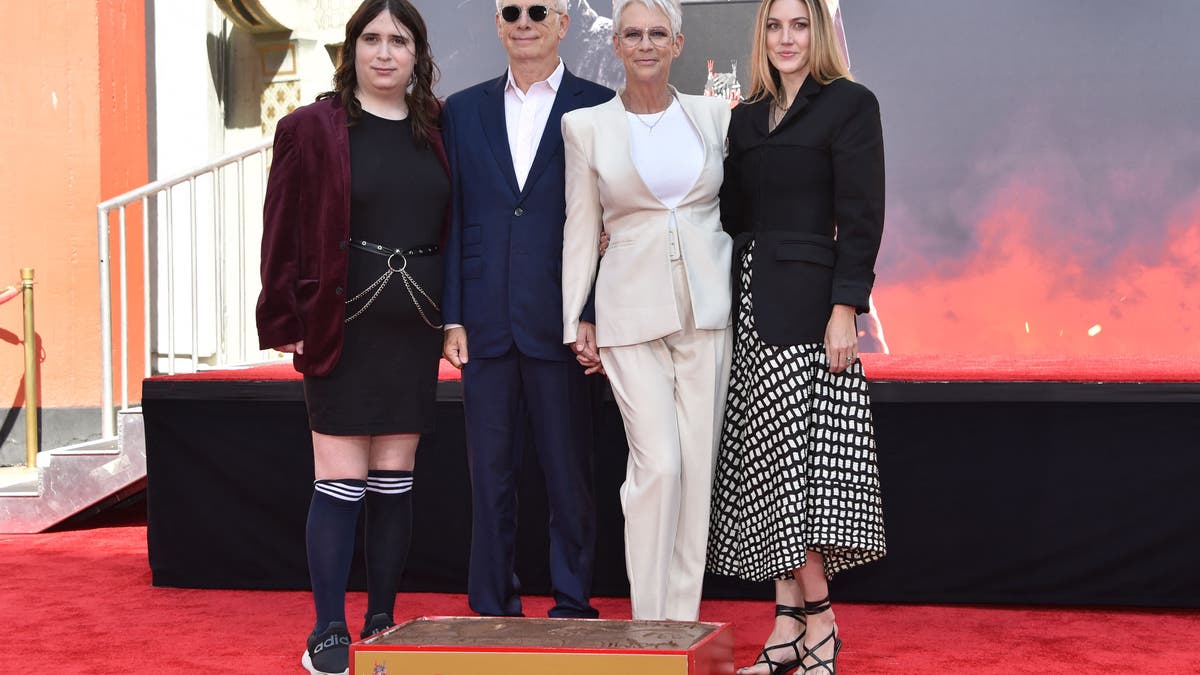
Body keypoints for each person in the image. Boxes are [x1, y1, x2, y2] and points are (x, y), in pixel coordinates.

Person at [255, 1, 448, 672]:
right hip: (340, 326)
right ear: (353, 48)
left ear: (418, 53)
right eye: (372, 38)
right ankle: (328, 631)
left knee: (395, 480)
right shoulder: (310, 128)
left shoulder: (439, 128)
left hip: (414, 330)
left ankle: (383, 619)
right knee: (340, 479)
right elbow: (280, 229)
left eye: (399, 39)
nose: (386, 51)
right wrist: (283, 317)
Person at [705, 0, 887, 672]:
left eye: (799, 24)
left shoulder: (850, 104)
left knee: (799, 473)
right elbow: (727, 214)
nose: (786, 38)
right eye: (775, 26)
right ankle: (786, 628)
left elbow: (862, 215)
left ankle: (821, 624)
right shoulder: (746, 116)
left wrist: (847, 306)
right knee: (771, 471)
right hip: (748, 309)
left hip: (811, 314)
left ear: (820, 32)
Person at [440, 1, 613, 619]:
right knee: (490, 480)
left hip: (562, 324)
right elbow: (453, 218)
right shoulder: (461, 111)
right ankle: (491, 608)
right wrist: (452, 316)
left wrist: (592, 312)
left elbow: (611, 221)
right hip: (483, 324)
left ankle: (572, 603)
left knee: (570, 480)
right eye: (510, 10)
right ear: (496, 23)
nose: (524, 20)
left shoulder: (599, 105)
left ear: (564, 23)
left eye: (539, 9)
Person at [561, 0, 733, 622]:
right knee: (657, 466)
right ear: (616, 45)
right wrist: (575, 313)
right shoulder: (587, 127)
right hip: (627, 314)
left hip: (707, 310)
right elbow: (581, 229)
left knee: (695, 471)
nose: (645, 44)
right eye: (632, 33)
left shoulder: (716, 116)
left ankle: (681, 628)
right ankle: (649, 624)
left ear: (679, 44)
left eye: (657, 33)